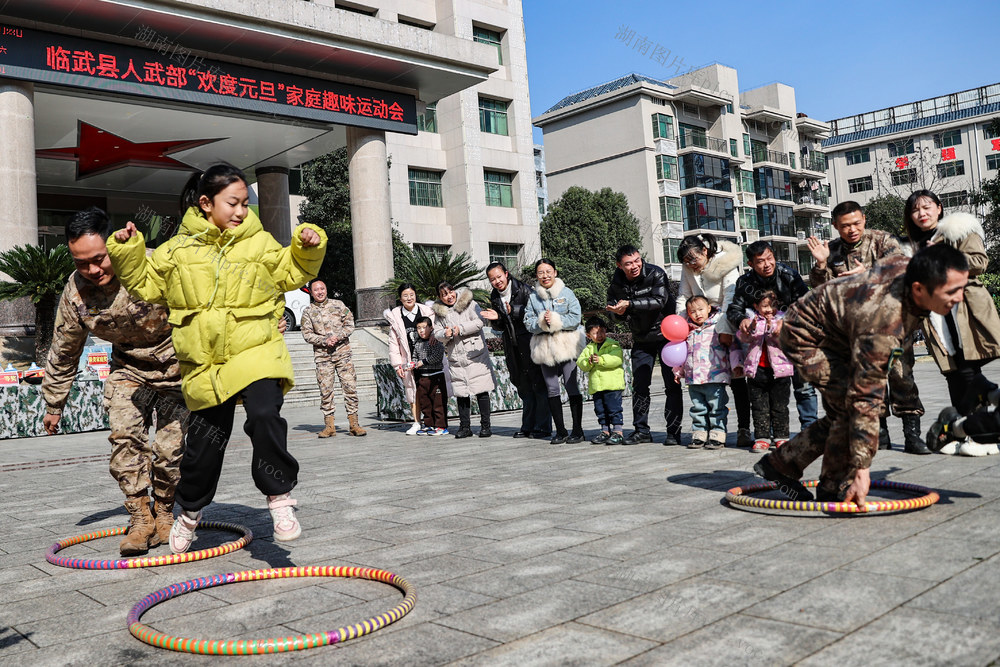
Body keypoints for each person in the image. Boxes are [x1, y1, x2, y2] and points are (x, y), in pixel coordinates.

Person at [107, 163, 327, 552]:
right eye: (234, 203)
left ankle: (279, 498)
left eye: (245, 203)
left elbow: (289, 271)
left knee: (264, 414)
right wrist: (127, 251)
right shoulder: (177, 250)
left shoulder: (258, 243)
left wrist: (308, 246)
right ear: (206, 203)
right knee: (208, 442)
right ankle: (189, 511)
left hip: (256, 348)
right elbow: (146, 284)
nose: (242, 211)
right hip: (205, 362)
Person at [754, 246, 970, 506]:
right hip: (807, 336)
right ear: (918, 288)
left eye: (962, 288)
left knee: (841, 411)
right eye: (951, 292)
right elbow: (865, 397)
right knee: (849, 407)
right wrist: (862, 470)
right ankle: (829, 484)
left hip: (842, 329)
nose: (959, 298)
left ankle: (783, 465)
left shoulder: (913, 264)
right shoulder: (883, 325)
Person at [41, 206, 185, 556]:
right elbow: (64, 347)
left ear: (113, 244)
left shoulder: (153, 264)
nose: (92, 270)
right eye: (81, 263)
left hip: (178, 369)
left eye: (99, 259)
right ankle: (140, 517)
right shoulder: (76, 292)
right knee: (124, 438)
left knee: (170, 452)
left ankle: (165, 512)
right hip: (129, 369)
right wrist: (54, 403)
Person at [806, 200, 925, 454]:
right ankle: (879, 433)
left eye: (856, 223)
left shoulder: (883, 241)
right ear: (835, 226)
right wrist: (820, 265)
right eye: (845, 226)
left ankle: (912, 434)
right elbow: (819, 289)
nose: (852, 230)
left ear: (864, 219)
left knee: (901, 376)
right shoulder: (832, 250)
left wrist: (868, 272)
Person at [905, 190, 1000, 455]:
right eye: (915, 210)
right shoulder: (911, 245)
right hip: (934, 316)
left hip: (964, 309)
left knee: (969, 371)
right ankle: (962, 431)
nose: (921, 214)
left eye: (926, 207)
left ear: (939, 208)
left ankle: (983, 436)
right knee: (953, 375)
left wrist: (942, 260)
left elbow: (980, 262)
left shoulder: (958, 229)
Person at [727, 241, 817, 431]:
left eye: (770, 258)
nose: (767, 264)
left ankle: (810, 430)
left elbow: (805, 304)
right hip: (763, 346)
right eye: (760, 261)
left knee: (804, 387)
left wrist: (787, 321)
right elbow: (734, 309)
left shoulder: (789, 275)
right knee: (769, 391)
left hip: (795, 338)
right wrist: (741, 320)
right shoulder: (745, 282)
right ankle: (767, 433)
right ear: (750, 264)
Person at [675, 233, 751, 447]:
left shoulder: (725, 261)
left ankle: (743, 428)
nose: (691, 264)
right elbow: (683, 295)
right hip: (700, 321)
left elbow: (730, 296)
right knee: (706, 381)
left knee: (737, 377)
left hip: (727, 319)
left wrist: (725, 327)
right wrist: (681, 326)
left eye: (693, 259)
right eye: (686, 261)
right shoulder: (688, 266)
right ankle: (701, 430)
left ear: (705, 252)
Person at [607, 245, 683, 446]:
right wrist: (617, 313)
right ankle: (641, 430)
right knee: (640, 386)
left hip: (666, 335)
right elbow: (613, 313)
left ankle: (673, 432)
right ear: (619, 265)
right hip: (641, 337)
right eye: (628, 263)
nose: (634, 266)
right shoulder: (617, 282)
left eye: (637, 260)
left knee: (671, 385)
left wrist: (630, 305)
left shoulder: (656, 273)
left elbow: (659, 300)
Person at [482, 262, 551, 438]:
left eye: (499, 277)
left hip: (531, 343)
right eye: (492, 279)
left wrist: (513, 311)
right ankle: (528, 425)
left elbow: (536, 313)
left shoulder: (524, 290)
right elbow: (500, 325)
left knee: (538, 385)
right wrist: (497, 319)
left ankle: (543, 427)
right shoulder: (495, 296)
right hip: (513, 345)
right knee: (523, 386)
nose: (497, 282)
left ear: (506, 274)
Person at [525, 259, 586, 444]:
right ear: (536, 275)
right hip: (544, 349)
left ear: (555, 272)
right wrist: (541, 322)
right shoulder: (533, 297)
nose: (545, 276)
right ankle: (560, 430)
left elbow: (575, 318)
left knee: (571, 385)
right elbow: (528, 322)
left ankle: (578, 430)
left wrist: (557, 319)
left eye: (548, 271)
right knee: (552, 389)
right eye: (541, 272)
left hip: (566, 346)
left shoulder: (567, 293)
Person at [300, 279, 366, 438]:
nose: (320, 292)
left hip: (343, 354)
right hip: (323, 357)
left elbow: (350, 324)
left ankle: (354, 424)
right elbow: (306, 334)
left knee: (350, 387)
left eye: (322, 288)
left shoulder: (338, 304)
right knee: (326, 390)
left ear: (326, 289)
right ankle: (329, 426)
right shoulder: (308, 311)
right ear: (311, 292)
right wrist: (324, 341)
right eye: (316, 290)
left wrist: (338, 337)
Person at [674, 296, 742, 450]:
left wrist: (737, 364)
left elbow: (732, 346)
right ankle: (700, 433)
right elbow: (681, 353)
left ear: (709, 308)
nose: (697, 313)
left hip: (715, 376)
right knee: (698, 408)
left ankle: (717, 434)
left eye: (700, 309)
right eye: (692, 311)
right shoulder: (687, 331)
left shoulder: (719, 326)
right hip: (694, 379)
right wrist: (678, 372)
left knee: (717, 407)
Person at [433, 281, 495, 438]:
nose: (449, 296)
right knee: (461, 393)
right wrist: (444, 335)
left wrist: (460, 329)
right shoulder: (440, 313)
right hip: (456, 357)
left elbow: (480, 322)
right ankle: (465, 426)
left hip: (475, 354)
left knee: (481, 390)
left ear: (454, 290)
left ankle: (486, 426)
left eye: (450, 292)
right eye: (444, 294)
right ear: (440, 297)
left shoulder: (470, 303)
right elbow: (437, 332)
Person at [737, 290, 793, 452]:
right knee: (759, 406)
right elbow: (744, 338)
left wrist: (773, 328)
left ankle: (781, 437)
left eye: (773, 305)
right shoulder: (752, 320)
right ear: (756, 306)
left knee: (780, 406)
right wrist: (752, 327)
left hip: (780, 371)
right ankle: (762, 438)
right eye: (765, 306)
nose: (769, 309)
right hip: (757, 371)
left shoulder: (783, 320)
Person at [384, 283, 437, 435]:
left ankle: (433, 422)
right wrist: (397, 365)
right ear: (400, 298)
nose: (409, 298)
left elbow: (436, 329)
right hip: (409, 361)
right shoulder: (395, 316)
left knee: (431, 390)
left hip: (429, 359)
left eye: (411, 294)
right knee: (412, 391)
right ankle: (416, 422)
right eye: (405, 295)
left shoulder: (427, 311)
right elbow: (394, 343)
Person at [576, 316, 625, 445]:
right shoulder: (588, 349)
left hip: (612, 385)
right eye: (595, 333)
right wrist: (589, 361)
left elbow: (617, 359)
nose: (600, 335)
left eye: (602, 331)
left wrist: (601, 360)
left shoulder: (613, 344)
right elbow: (581, 363)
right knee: (600, 410)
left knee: (614, 409)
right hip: (597, 386)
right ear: (588, 335)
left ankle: (618, 431)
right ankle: (605, 431)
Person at [411, 315, 448, 435]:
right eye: (418, 328)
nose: (421, 330)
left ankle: (441, 426)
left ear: (431, 328)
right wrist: (413, 363)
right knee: (425, 403)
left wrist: (423, 362)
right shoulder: (417, 343)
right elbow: (415, 357)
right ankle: (428, 425)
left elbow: (437, 356)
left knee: (438, 403)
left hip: (436, 376)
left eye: (424, 327)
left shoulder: (435, 341)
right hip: (423, 377)